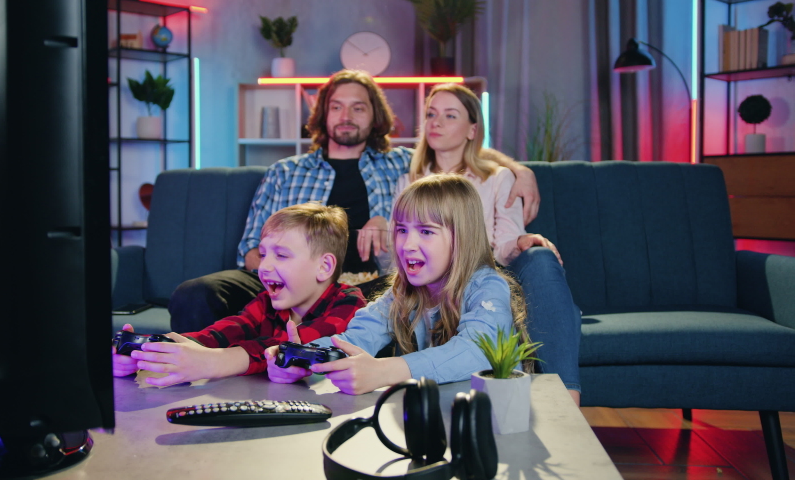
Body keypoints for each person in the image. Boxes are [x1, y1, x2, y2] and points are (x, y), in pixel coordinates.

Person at [168, 69, 540, 333]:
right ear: (322, 115)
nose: (346, 116)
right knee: (196, 294)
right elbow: (250, 251)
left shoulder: (401, 163)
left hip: (362, 285)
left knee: (370, 310)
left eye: (358, 107)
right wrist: (284, 275)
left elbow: (454, 150)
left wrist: (520, 171)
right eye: (336, 107)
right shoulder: (284, 171)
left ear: (375, 116)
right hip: (281, 282)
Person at [396, 83, 582, 405]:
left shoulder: (498, 178)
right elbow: (398, 243)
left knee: (539, 256)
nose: (436, 123)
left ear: (472, 130)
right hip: (431, 280)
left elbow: (506, 243)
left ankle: (566, 402)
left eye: (449, 115)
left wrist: (522, 241)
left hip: (485, 273)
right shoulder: (409, 180)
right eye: (430, 114)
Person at [266, 174, 528, 395]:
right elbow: (355, 340)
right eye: (402, 230)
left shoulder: (488, 287)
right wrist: (303, 357)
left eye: (426, 231)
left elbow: (476, 350)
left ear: (463, 238)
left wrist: (384, 371)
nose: (407, 244)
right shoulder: (403, 294)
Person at [112, 203, 366, 387]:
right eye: (263, 254)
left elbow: (295, 348)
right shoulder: (267, 303)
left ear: (324, 267)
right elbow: (219, 333)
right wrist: (150, 352)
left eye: (282, 255)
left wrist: (213, 363)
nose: (264, 267)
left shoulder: (350, 304)